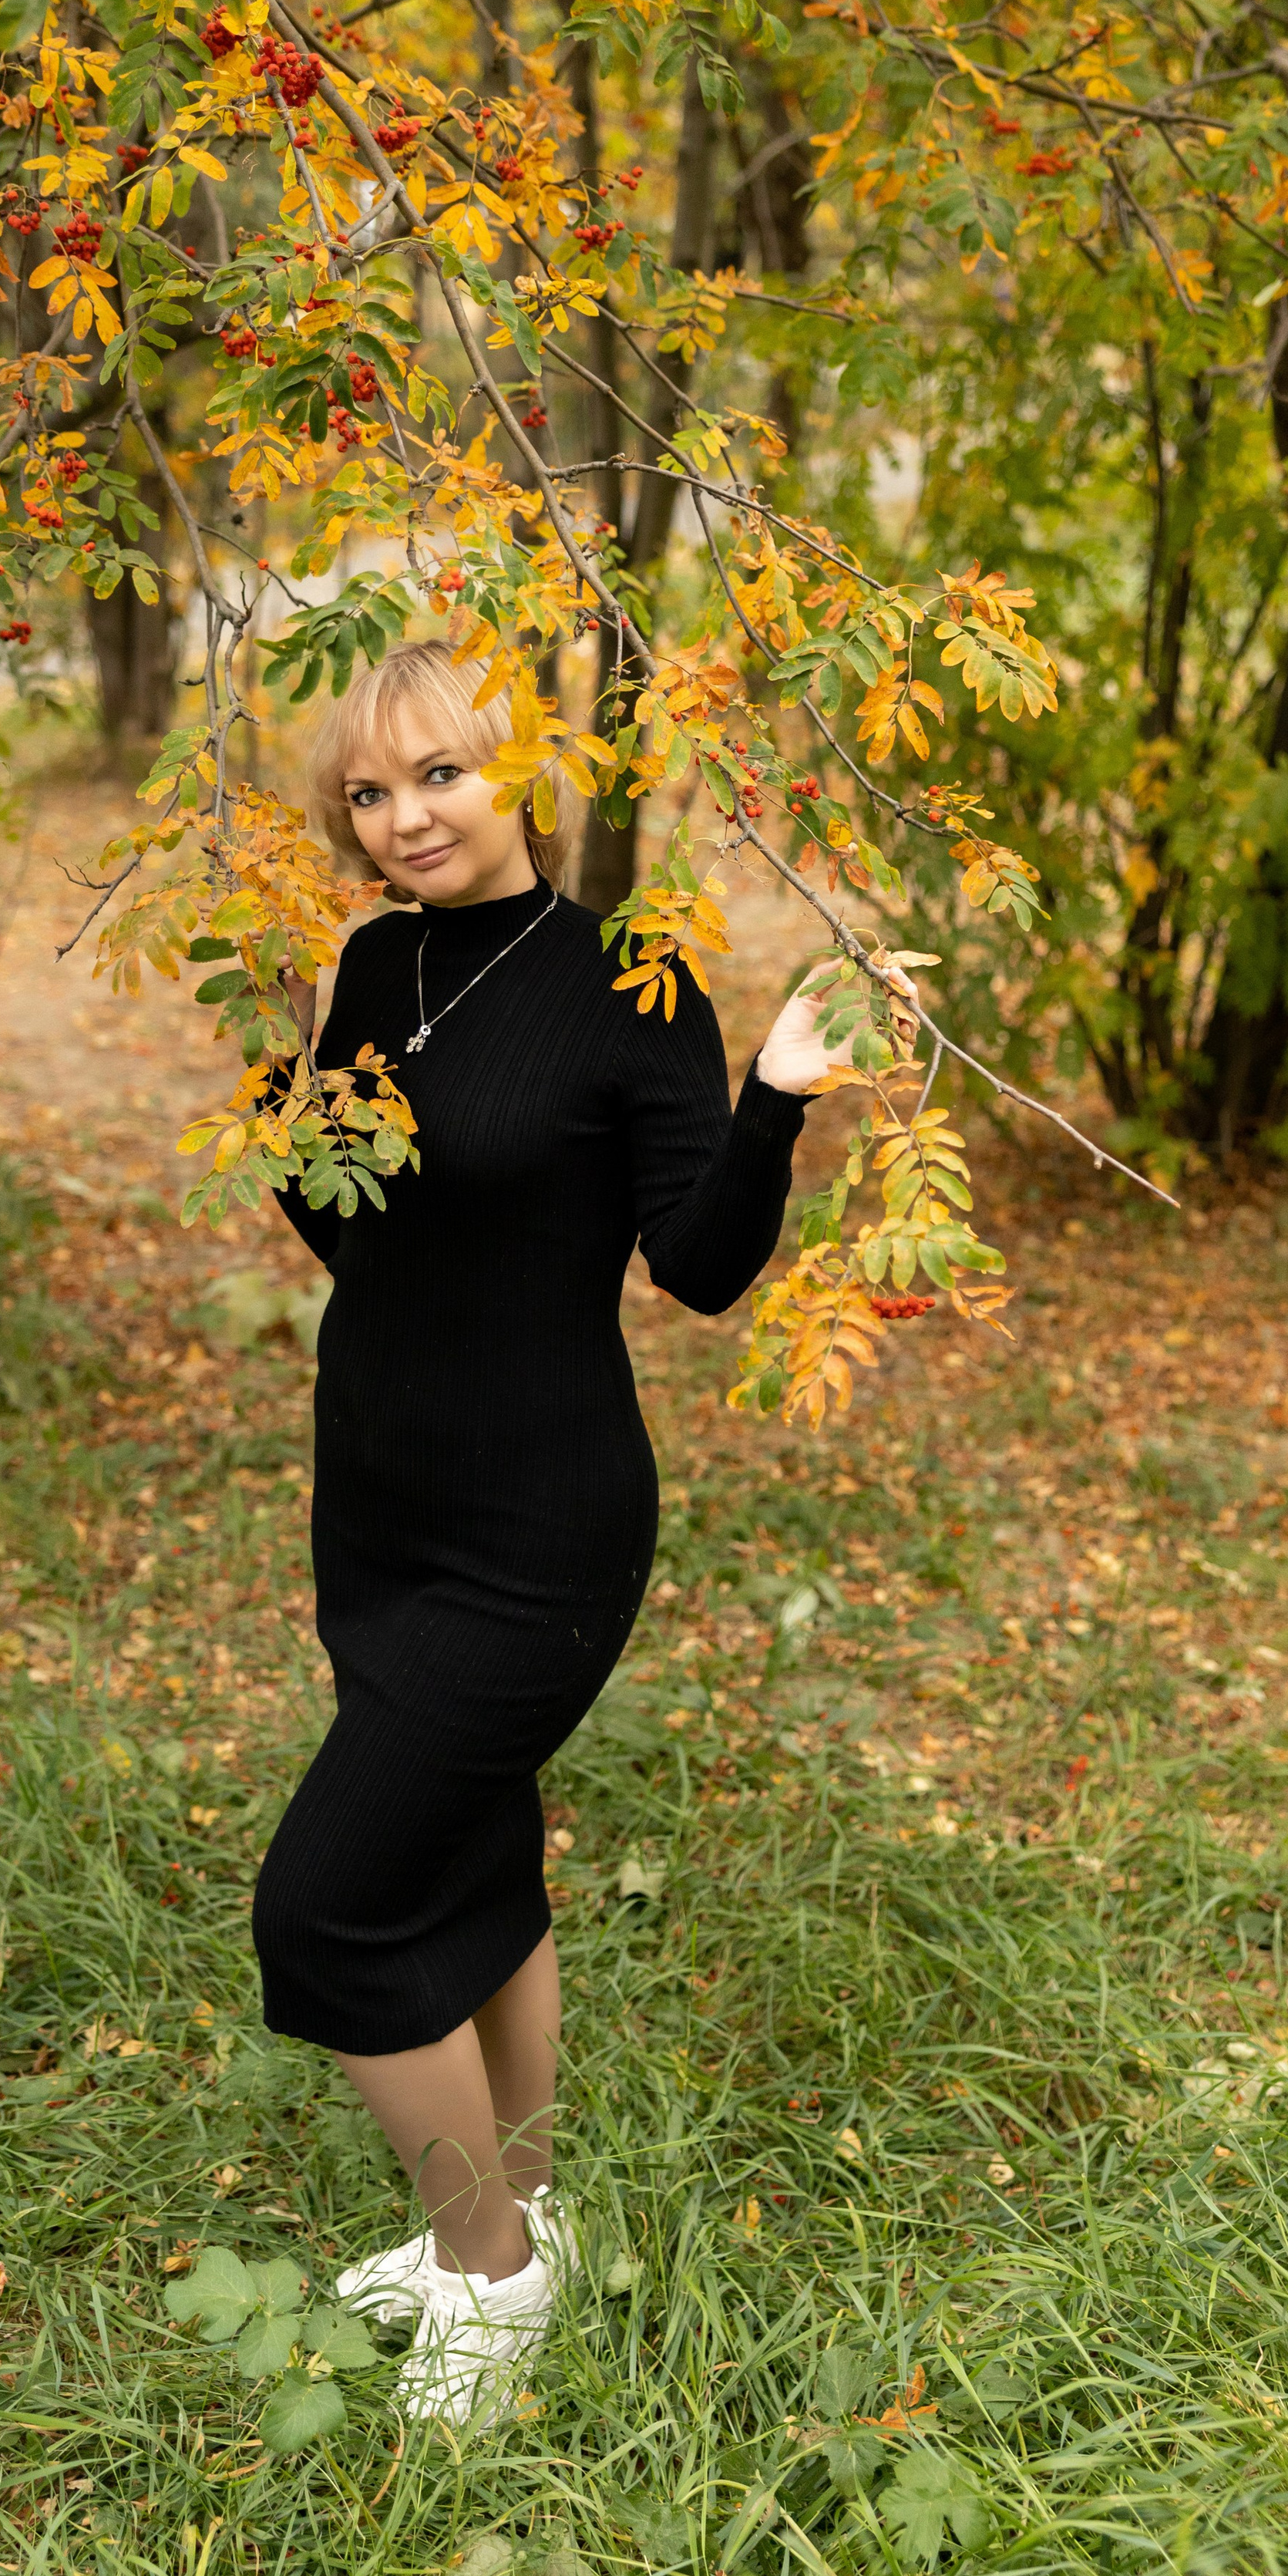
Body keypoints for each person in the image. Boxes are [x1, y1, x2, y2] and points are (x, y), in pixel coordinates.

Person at [250, 636, 849, 2426]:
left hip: (538, 1527)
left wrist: (780, 1095)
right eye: (368, 790)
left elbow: (701, 1266)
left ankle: (488, 2279)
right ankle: (525, 2219)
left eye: (437, 774)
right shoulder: (368, 965)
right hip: (376, 1502)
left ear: (519, 770)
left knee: (332, 1913)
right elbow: (351, 1225)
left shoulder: (631, 978)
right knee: (474, 1863)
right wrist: (285, 1089)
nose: (403, 817)